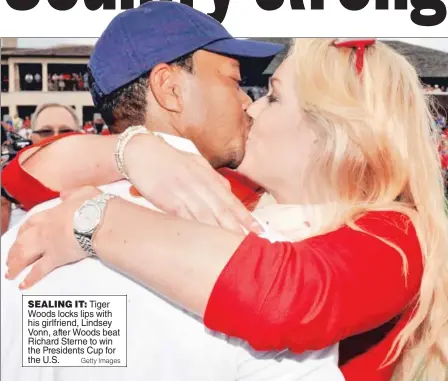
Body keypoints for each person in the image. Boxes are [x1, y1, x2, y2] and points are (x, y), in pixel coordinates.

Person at [7, 38, 448, 381]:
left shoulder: (395, 233)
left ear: (332, 134)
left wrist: (95, 220)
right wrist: (134, 149)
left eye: (273, 97)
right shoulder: (246, 195)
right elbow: (22, 179)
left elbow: (286, 297)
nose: (250, 107)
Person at [1, 4, 343, 381]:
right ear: (170, 89)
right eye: (233, 80)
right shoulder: (255, 250)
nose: (247, 100)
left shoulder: (23, 241)